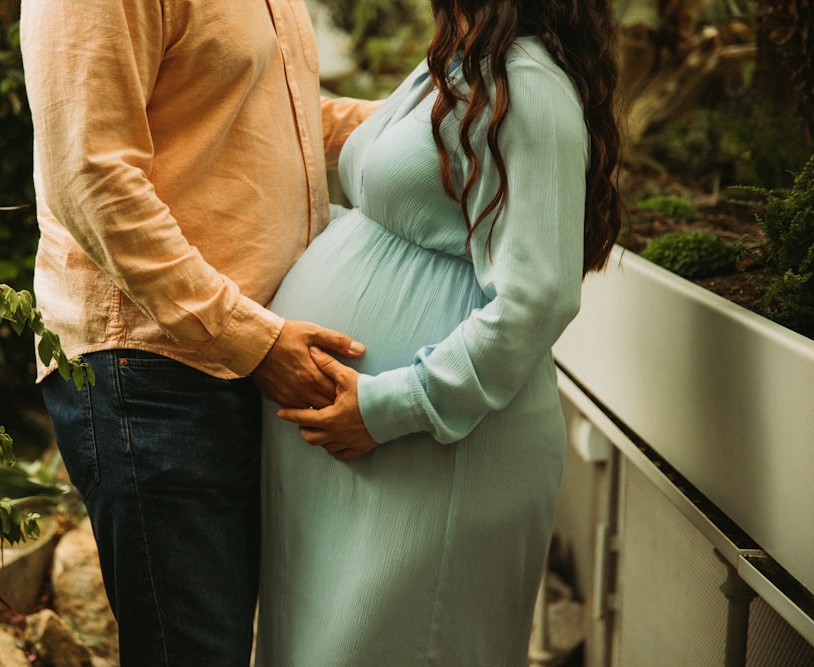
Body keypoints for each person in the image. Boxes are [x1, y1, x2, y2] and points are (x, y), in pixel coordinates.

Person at [255, 0, 623, 664]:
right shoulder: (458, 66)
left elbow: (536, 301)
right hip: (378, 463)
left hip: (436, 447)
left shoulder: (530, 86)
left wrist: (390, 405)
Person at [19, 1, 378, 664]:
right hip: (153, 373)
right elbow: (92, 176)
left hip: (250, 356)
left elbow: (274, 115)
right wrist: (252, 339)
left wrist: (423, 123)